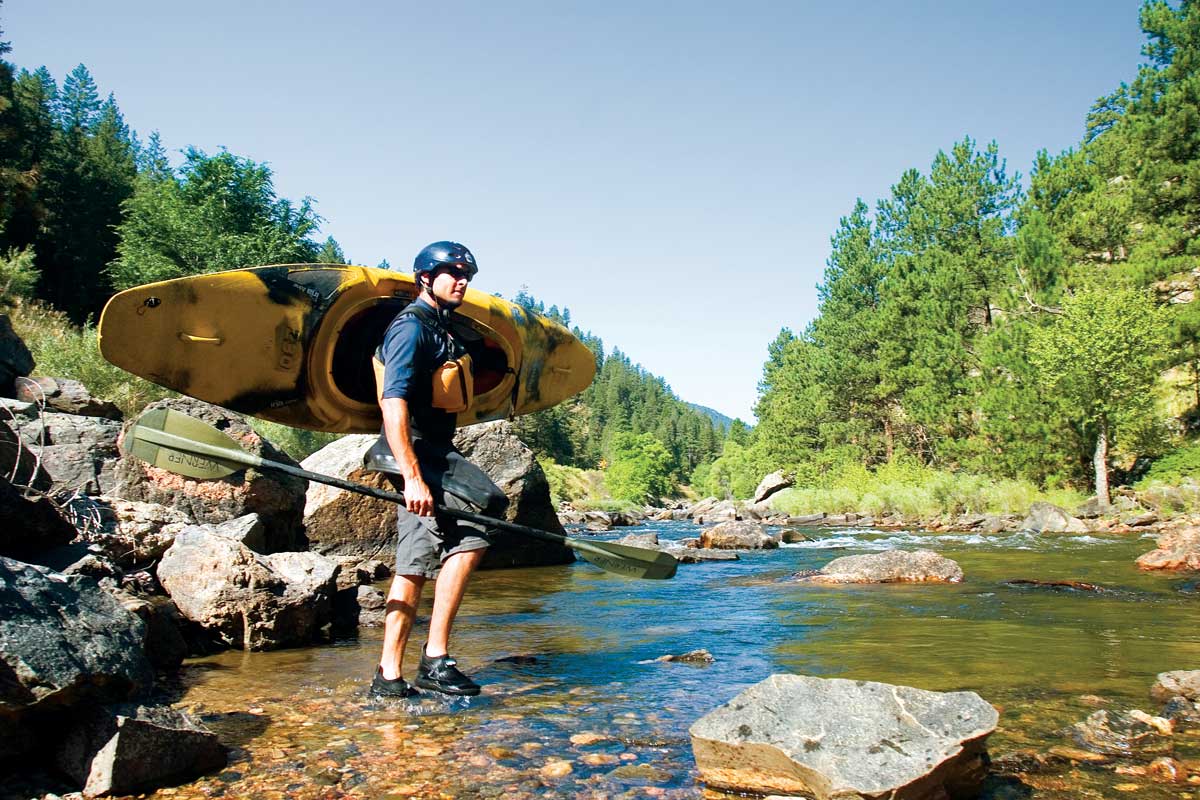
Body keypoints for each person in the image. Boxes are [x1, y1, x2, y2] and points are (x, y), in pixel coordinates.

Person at [367, 241, 506, 698]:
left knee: (477, 522)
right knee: (415, 557)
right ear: (425, 278)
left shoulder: (442, 327)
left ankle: (433, 658)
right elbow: (393, 403)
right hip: (411, 451)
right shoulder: (410, 328)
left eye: (467, 273)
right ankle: (391, 674)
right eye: (452, 272)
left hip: (435, 451)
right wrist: (411, 476)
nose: (462, 280)